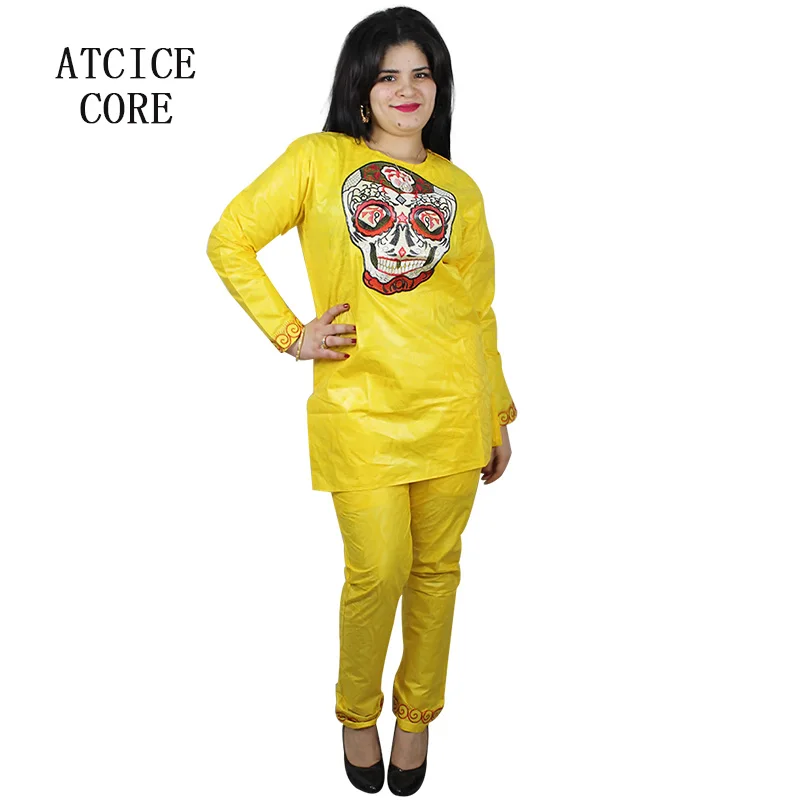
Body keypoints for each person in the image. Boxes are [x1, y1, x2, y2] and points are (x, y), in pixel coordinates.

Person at [206, 7, 517, 795]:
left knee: (437, 570)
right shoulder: (318, 160)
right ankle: (356, 711)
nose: (407, 89)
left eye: (422, 73)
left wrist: (497, 413)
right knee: (378, 570)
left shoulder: (461, 189)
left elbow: (477, 312)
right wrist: (290, 333)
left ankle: (417, 716)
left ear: (440, 86)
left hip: (454, 410)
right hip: (361, 411)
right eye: (388, 76)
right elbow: (230, 238)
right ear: (360, 87)